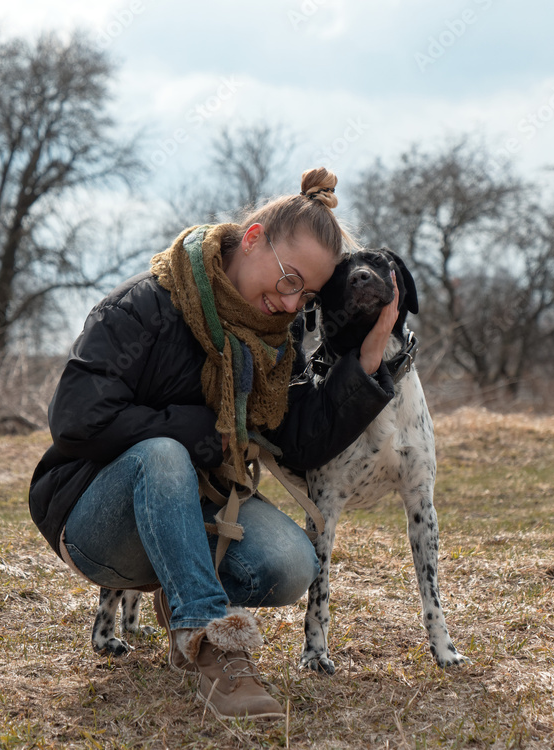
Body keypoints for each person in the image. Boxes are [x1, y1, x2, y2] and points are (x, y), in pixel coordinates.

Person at [28, 167, 400, 720]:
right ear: (252, 240)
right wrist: (198, 429)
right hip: (90, 517)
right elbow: (77, 419)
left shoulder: (275, 342)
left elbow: (296, 442)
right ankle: (213, 649)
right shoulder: (144, 305)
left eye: (310, 294)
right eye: (289, 278)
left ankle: (180, 581)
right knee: (162, 453)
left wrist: (366, 364)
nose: (293, 303)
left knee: (292, 564)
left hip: (195, 509)